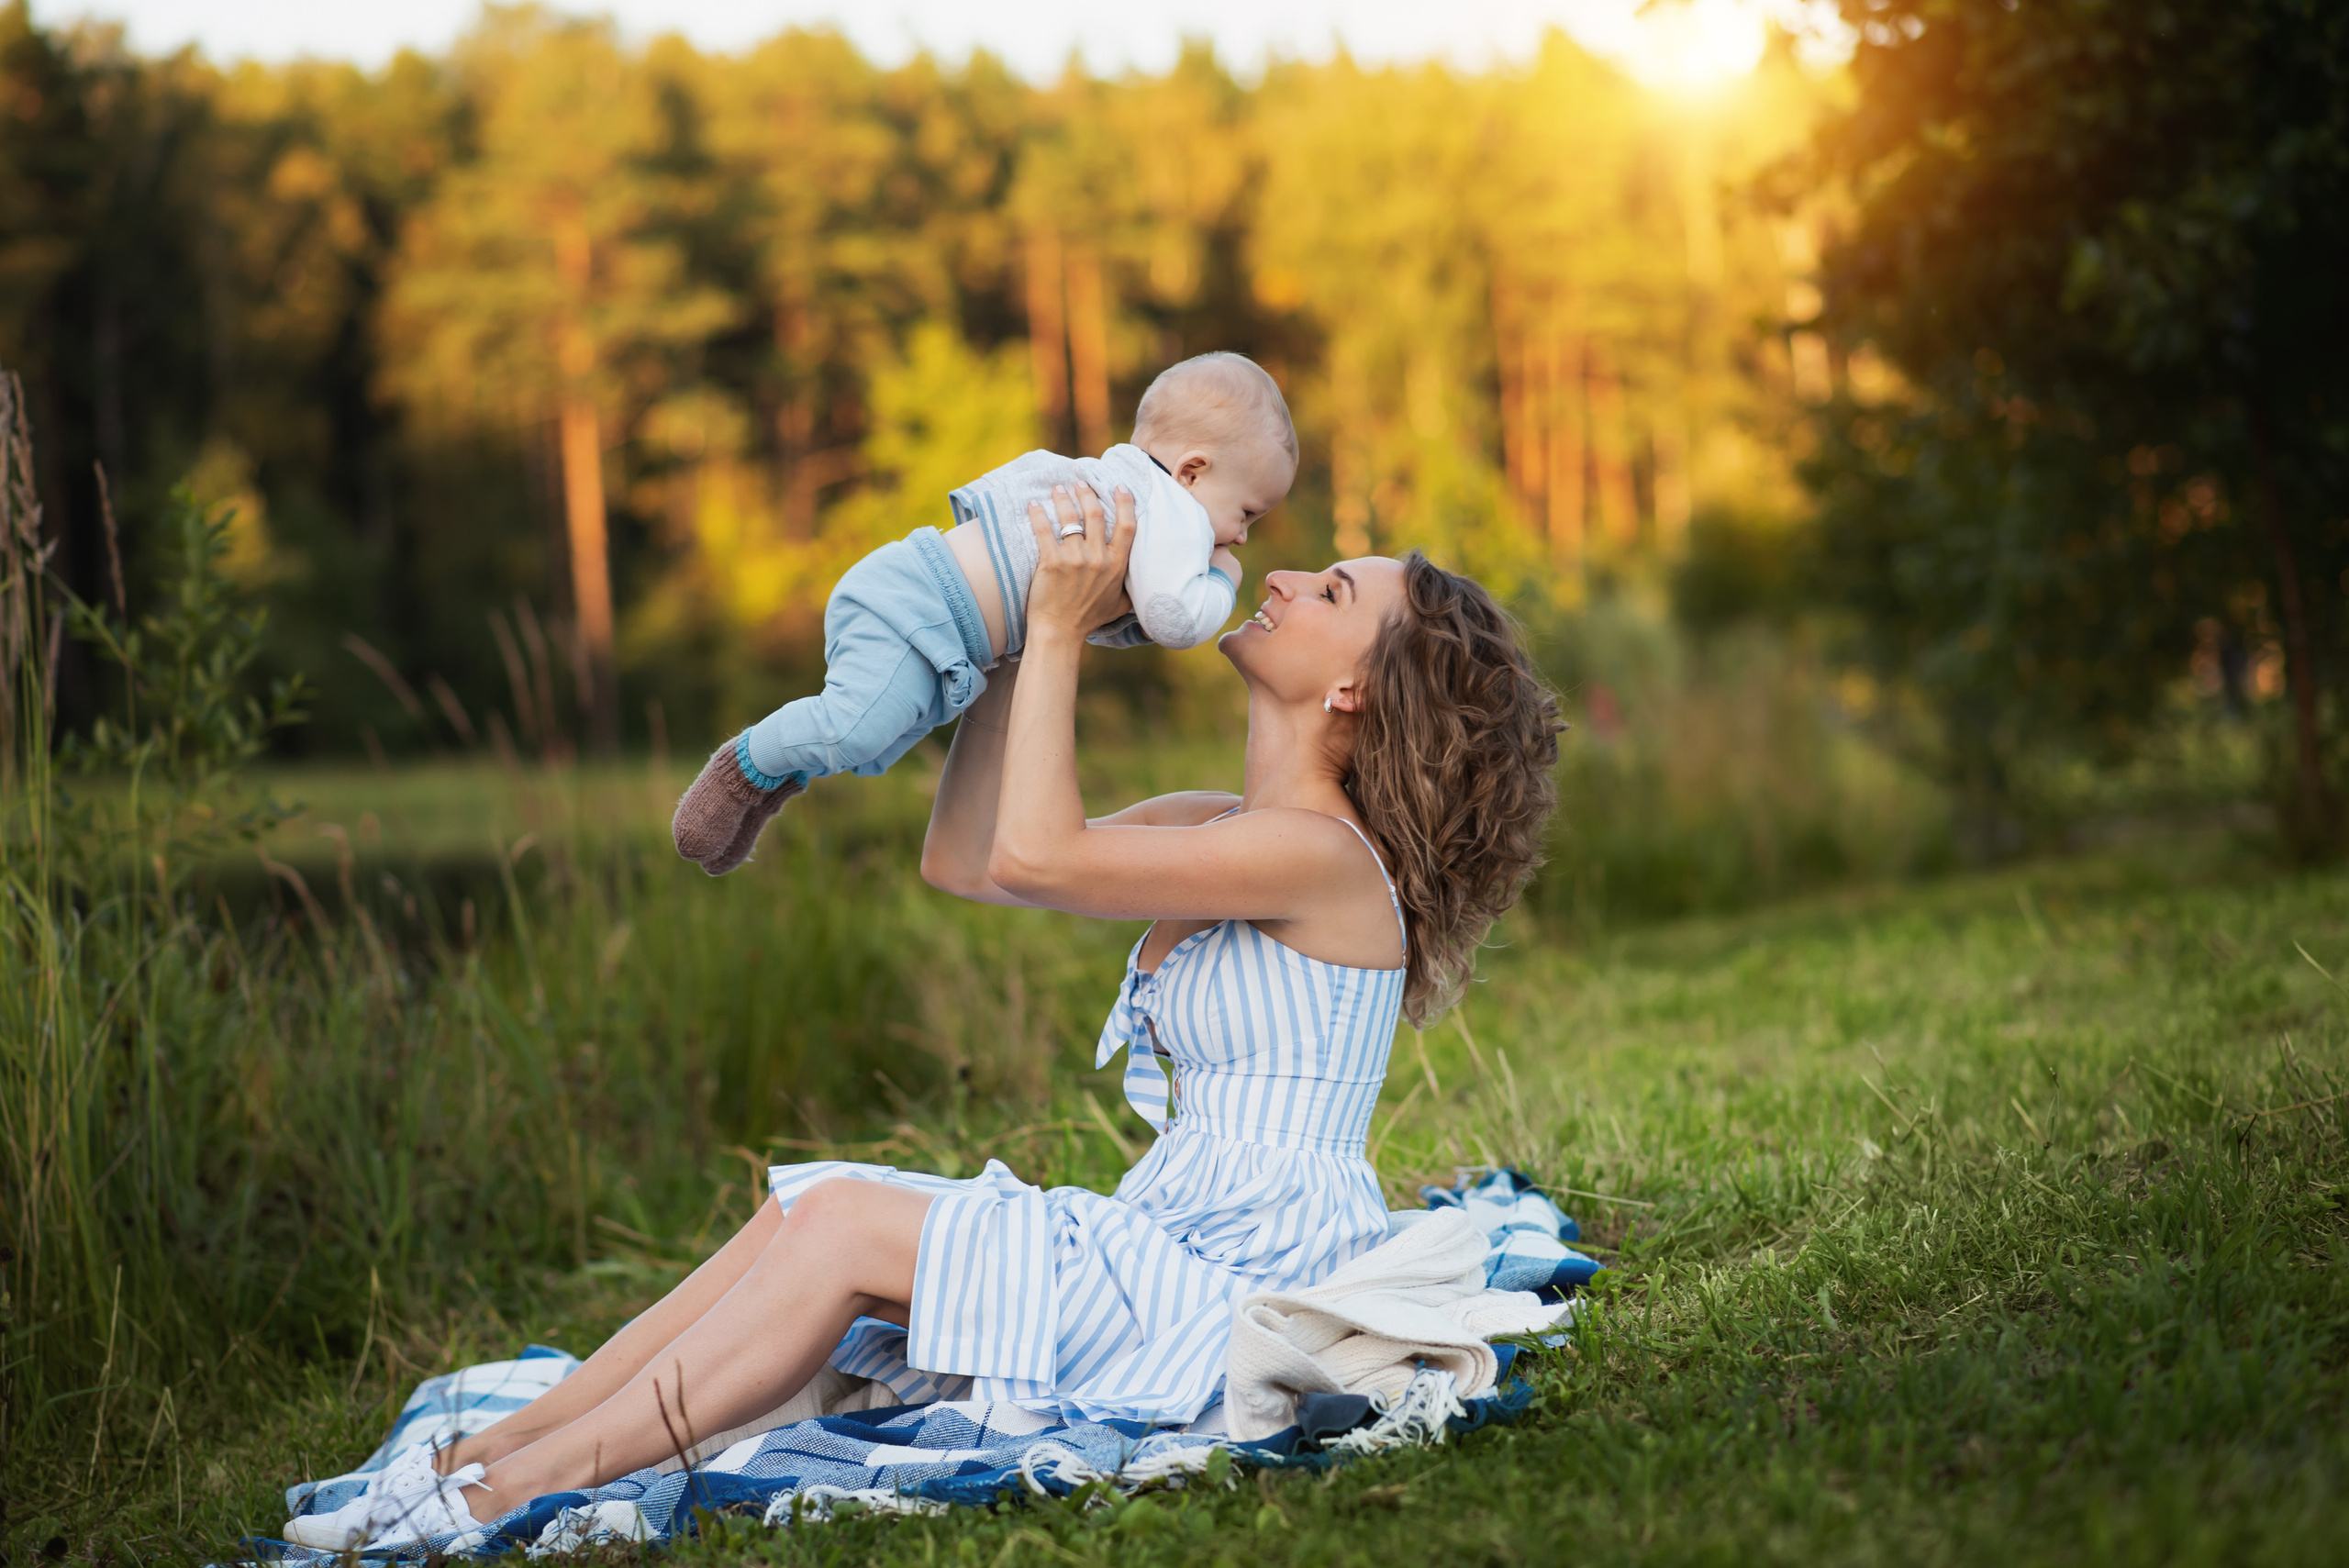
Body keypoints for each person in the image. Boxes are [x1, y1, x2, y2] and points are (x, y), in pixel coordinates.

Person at [302, 480, 1562, 1549]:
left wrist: (1066, 626)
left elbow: (1046, 847)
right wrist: (1016, 632)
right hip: (1168, 1240)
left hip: (1235, 1285)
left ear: (1353, 692)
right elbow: (973, 857)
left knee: (846, 1218)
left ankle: (503, 1492)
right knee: (807, 1202)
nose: (1281, 576)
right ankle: (508, 1441)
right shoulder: (1219, 827)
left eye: (1332, 593)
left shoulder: (1325, 861)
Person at [670, 351, 1298, 875]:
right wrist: (1220, 577)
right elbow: (1174, 618)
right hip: (915, 604)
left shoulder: (1131, 490)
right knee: (853, 729)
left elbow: (1104, 615)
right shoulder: (1167, 509)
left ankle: (774, 782)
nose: (1241, 538)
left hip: (935, 621)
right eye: (1246, 514)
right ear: (1192, 470)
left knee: (868, 741)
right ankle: (746, 764)